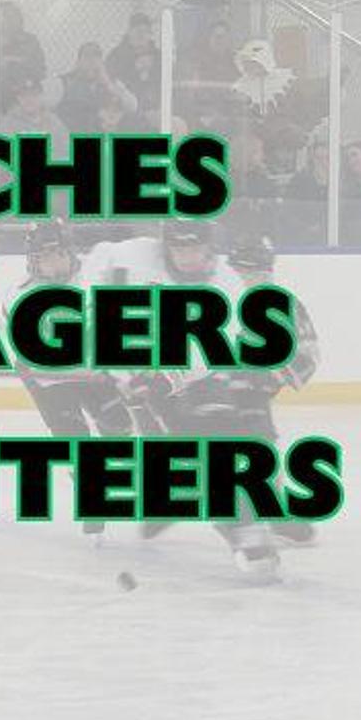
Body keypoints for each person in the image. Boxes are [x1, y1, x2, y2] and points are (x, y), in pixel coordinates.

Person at [85, 221, 282, 579]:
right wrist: (121, 369)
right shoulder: (133, 254)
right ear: (166, 247)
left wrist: (165, 377)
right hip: (140, 362)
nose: (187, 257)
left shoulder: (227, 285)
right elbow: (98, 266)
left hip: (193, 372)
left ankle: (244, 528)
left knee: (218, 442)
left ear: (209, 248)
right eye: (179, 248)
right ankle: (185, 504)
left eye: (195, 248)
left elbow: (208, 351)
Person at [5, 221, 136, 535]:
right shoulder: (19, 296)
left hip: (92, 372)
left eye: (59, 255)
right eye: (44, 257)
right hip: (49, 379)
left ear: (71, 252)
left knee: (119, 427)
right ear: (33, 261)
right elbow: (34, 361)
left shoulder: (94, 279)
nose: (53, 264)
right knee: (74, 437)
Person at [227, 231, 320, 547]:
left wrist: (274, 375)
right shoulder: (214, 298)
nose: (253, 279)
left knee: (260, 444)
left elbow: (307, 353)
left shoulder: (284, 305)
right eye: (245, 272)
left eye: (260, 272)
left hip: (250, 394)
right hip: (204, 391)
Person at [56, 42, 136, 132]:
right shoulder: (64, 82)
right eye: (87, 57)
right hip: (74, 133)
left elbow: (133, 106)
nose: (91, 62)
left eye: (96, 57)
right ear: (78, 62)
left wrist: (109, 85)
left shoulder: (112, 82)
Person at [105, 12, 158, 89]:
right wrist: (134, 67)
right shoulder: (117, 55)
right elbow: (110, 79)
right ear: (129, 32)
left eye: (146, 31)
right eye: (138, 31)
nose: (142, 35)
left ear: (150, 34)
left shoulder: (158, 55)